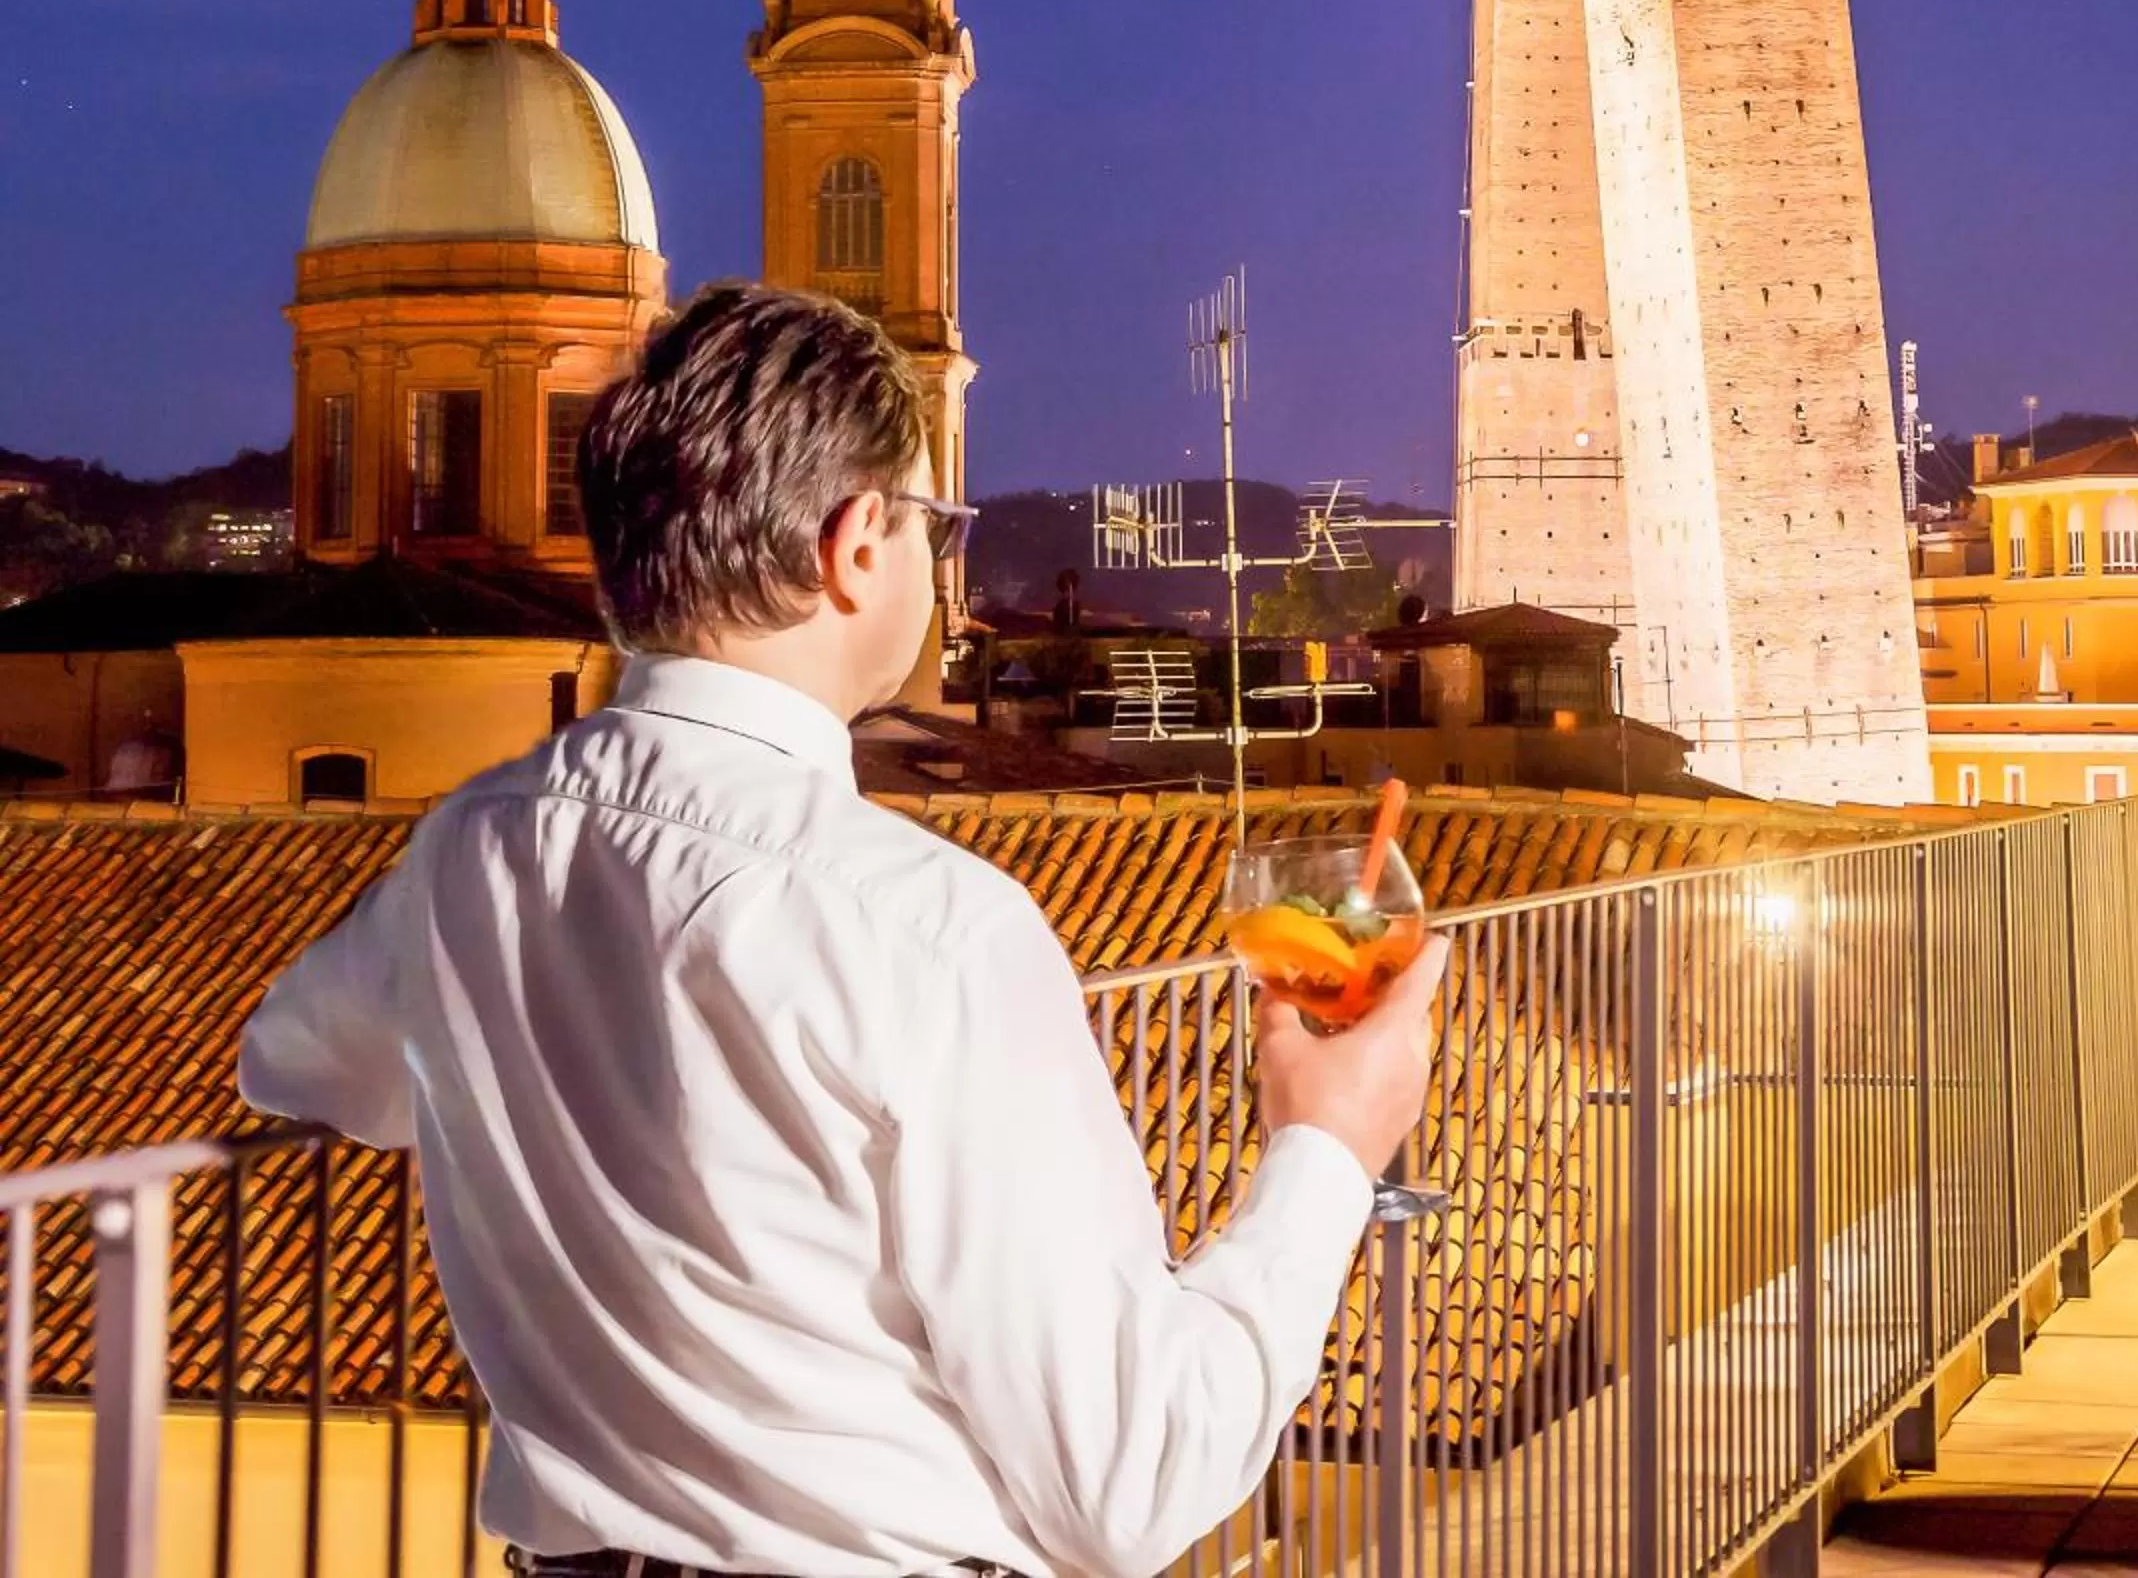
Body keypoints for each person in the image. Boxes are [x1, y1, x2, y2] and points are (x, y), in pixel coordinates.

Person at [239, 280, 1445, 1578]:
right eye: (936, 525)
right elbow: (1134, 1483)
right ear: (859, 541)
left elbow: (296, 1067)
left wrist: (530, 1077)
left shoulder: (469, 848)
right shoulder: (930, 932)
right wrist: (1327, 1146)